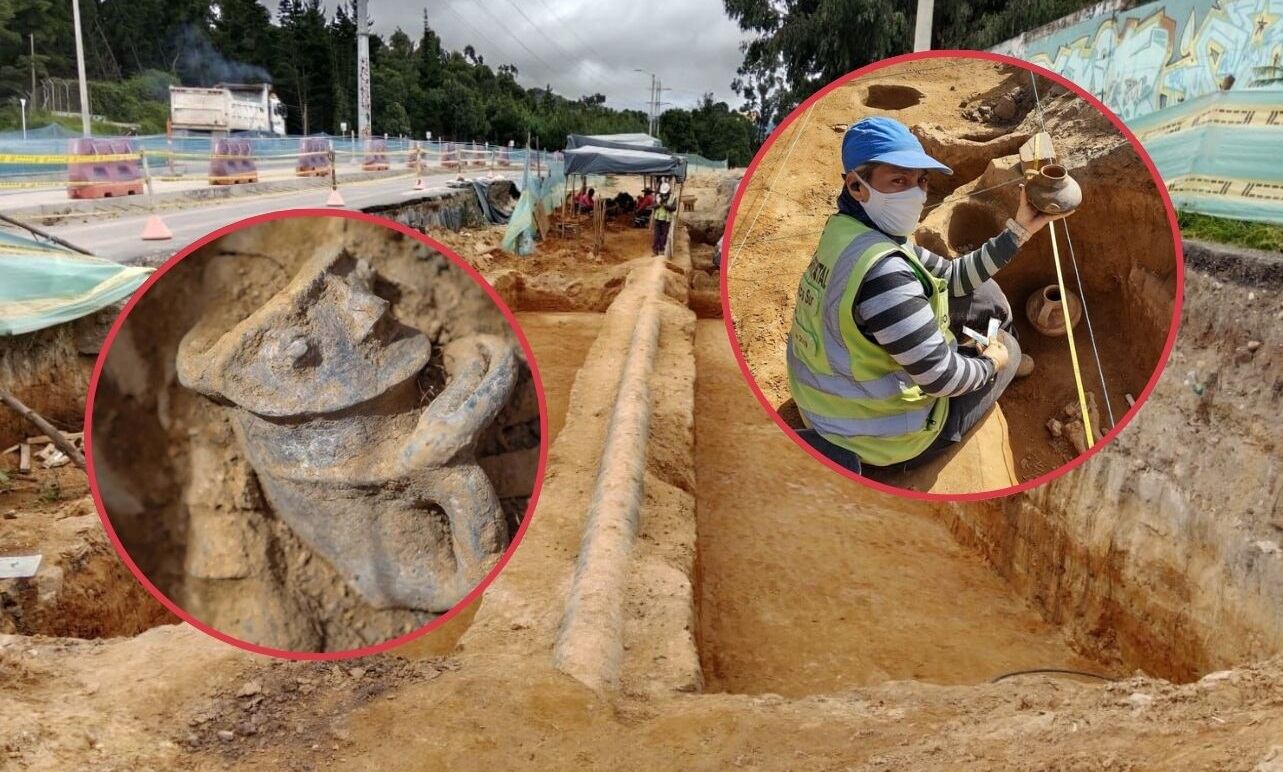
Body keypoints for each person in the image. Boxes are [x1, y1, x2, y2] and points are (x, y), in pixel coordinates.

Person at [787, 116, 1066, 473]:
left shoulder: (850, 230)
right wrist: (991, 362)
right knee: (1008, 349)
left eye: (920, 180)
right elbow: (942, 378)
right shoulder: (885, 274)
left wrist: (1019, 230)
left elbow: (951, 275)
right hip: (875, 439)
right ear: (857, 186)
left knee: (986, 293)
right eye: (898, 180)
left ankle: (988, 352)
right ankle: (1008, 362)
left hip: (824, 400)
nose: (915, 193)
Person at [651, 184, 678, 255]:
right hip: (657, 219)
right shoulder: (657, 196)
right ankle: (655, 250)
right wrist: (659, 204)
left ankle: (661, 250)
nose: (664, 194)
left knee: (664, 236)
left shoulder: (673, 197)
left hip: (666, 220)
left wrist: (667, 206)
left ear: (669, 191)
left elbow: (674, 208)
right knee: (656, 236)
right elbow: (653, 206)